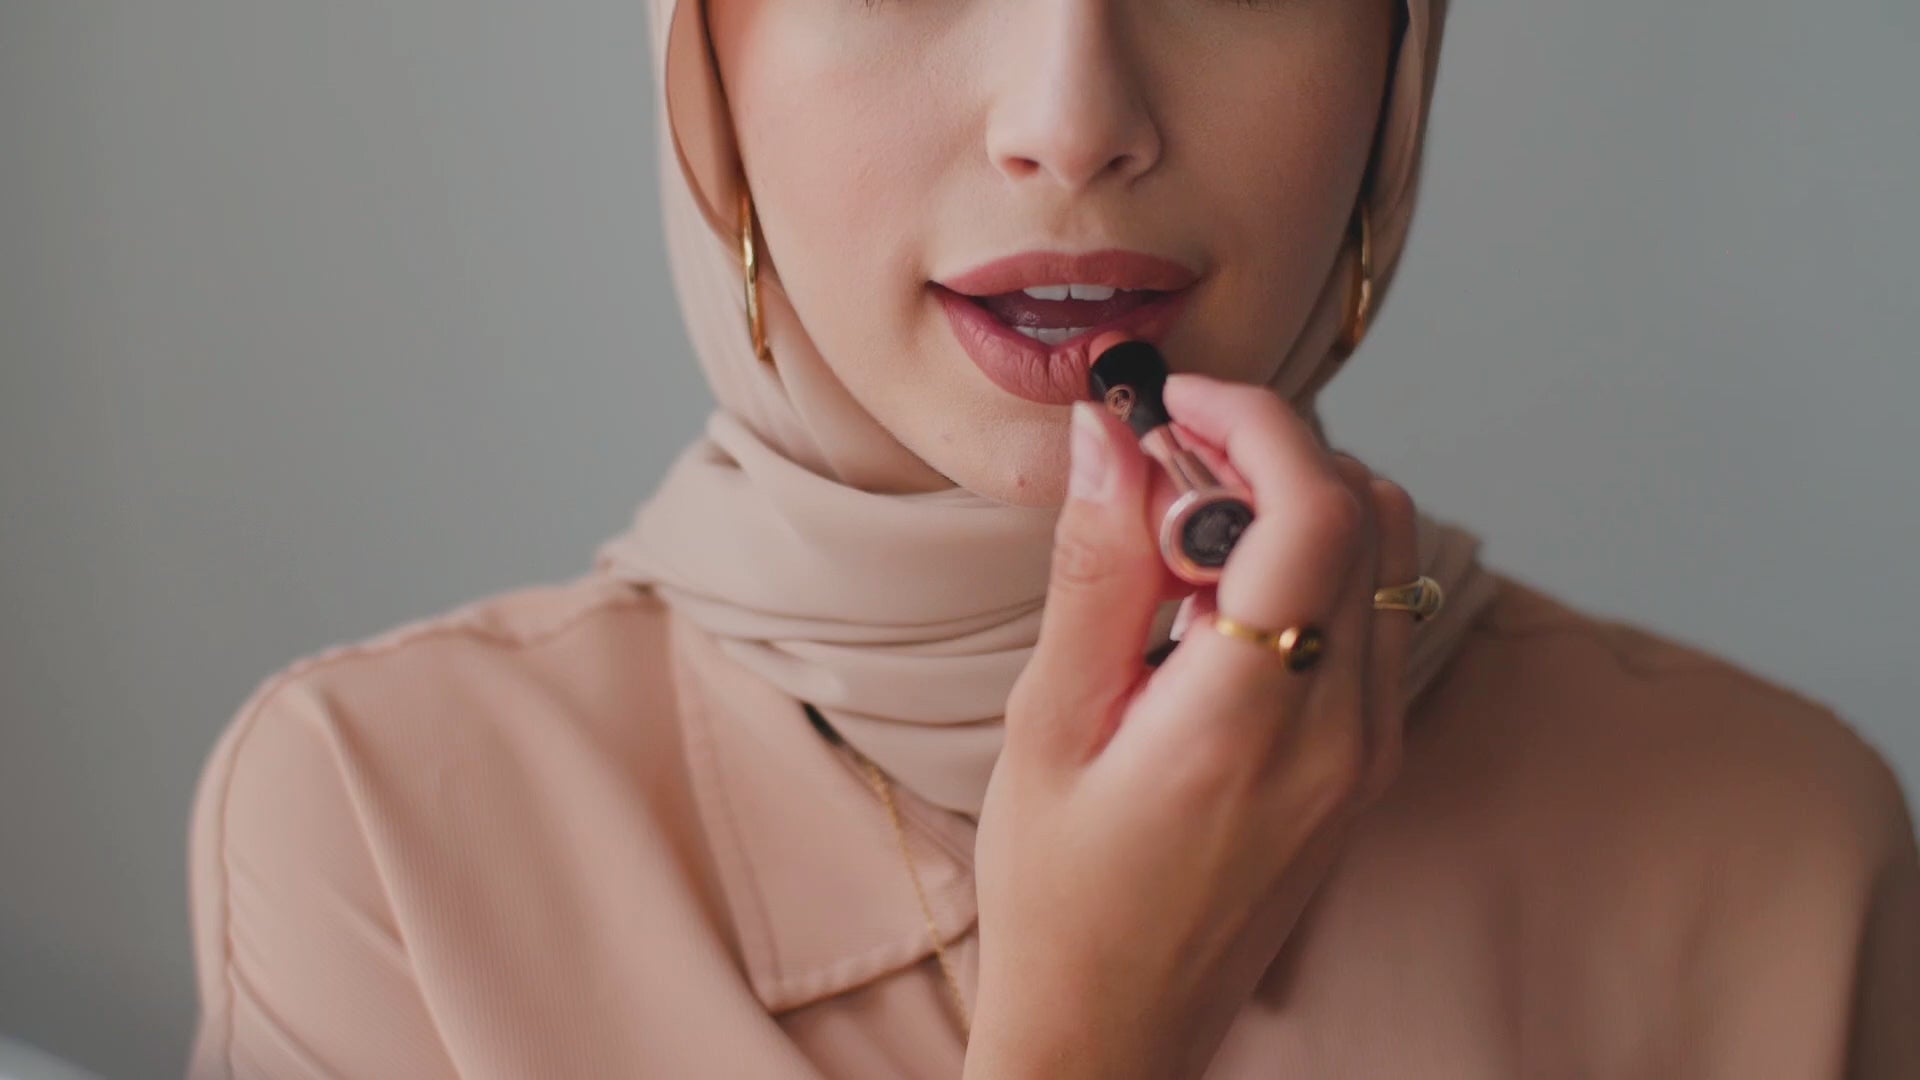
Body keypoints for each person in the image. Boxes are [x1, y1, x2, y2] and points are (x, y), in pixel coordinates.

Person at [184, 0, 1919, 1076]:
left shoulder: (1778, 856)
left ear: (1399, 62)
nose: (1073, 119)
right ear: (703, 74)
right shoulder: (378, 831)